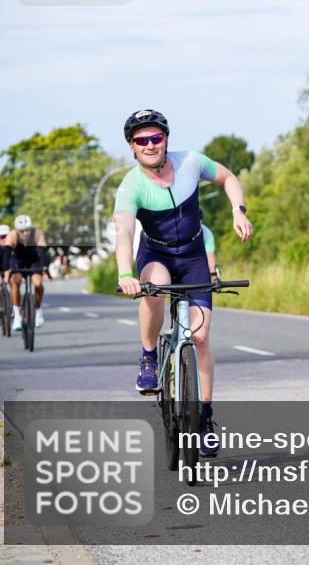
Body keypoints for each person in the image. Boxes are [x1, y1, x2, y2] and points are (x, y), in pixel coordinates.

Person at [113, 109, 253, 458]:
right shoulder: (131, 185)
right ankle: (148, 358)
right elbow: (124, 232)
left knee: (200, 337)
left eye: (156, 137)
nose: (150, 145)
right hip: (156, 254)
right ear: (132, 147)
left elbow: (228, 177)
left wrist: (238, 211)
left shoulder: (190, 162)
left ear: (166, 139)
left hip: (193, 257)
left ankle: (205, 419)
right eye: (141, 140)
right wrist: (125, 274)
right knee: (155, 287)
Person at [6, 215, 48, 330]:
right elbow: (6, 255)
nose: (25, 233)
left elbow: (42, 253)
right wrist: (6, 270)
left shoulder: (37, 234)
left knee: (38, 284)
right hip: (17, 261)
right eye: (22, 231)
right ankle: (17, 315)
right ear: (16, 230)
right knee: (15, 281)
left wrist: (45, 268)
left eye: (28, 230)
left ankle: (38, 311)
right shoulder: (12, 236)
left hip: (33, 261)